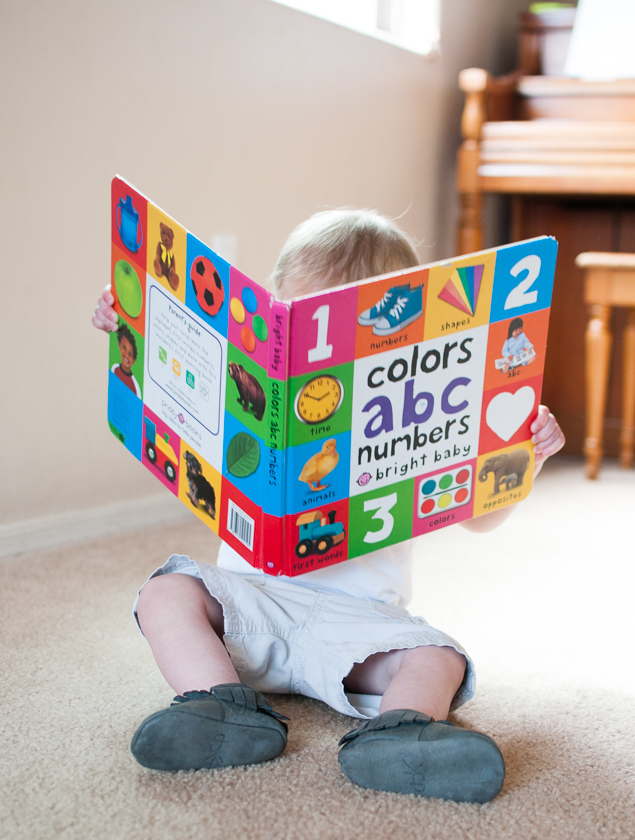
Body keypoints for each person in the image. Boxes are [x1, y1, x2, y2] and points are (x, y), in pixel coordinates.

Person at [92, 208, 565, 803]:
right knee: (166, 591)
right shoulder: (246, 376)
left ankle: (400, 734)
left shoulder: (441, 406)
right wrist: (129, 325)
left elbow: (482, 517)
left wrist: (527, 459)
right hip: (248, 607)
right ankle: (217, 705)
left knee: (439, 655)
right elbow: (163, 392)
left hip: (357, 631)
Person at [111, 323, 141, 397]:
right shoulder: (115, 368)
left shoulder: (134, 385)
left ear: (133, 361)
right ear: (119, 345)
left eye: (130, 354)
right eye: (124, 348)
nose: (126, 355)